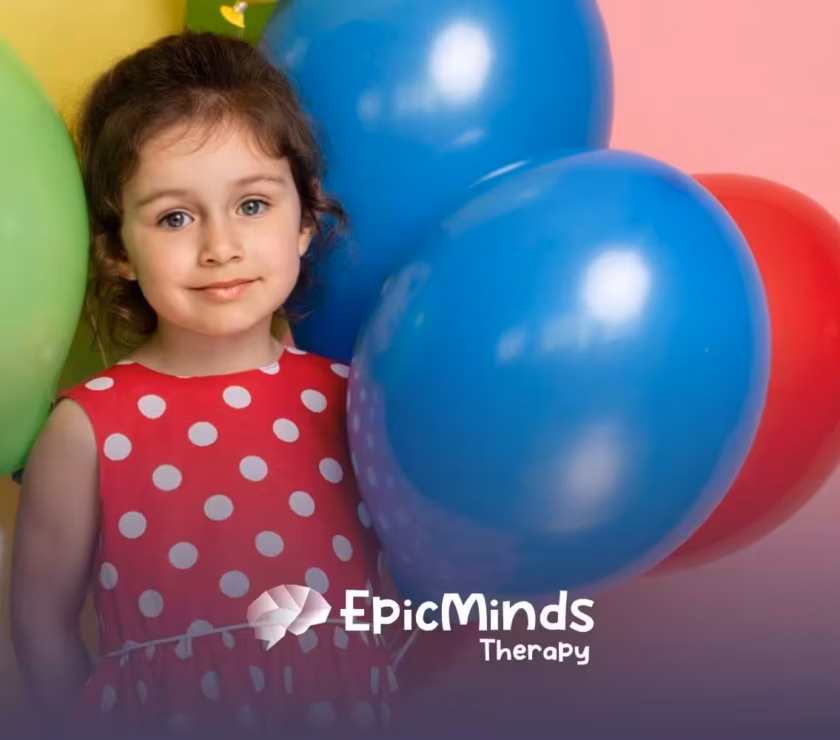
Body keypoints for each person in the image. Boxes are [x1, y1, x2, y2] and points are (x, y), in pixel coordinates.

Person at [10, 31, 402, 738]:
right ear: (115, 251)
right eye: (175, 217)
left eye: (252, 205)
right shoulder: (90, 426)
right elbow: (40, 625)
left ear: (307, 218)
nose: (219, 246)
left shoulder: (356, 401)